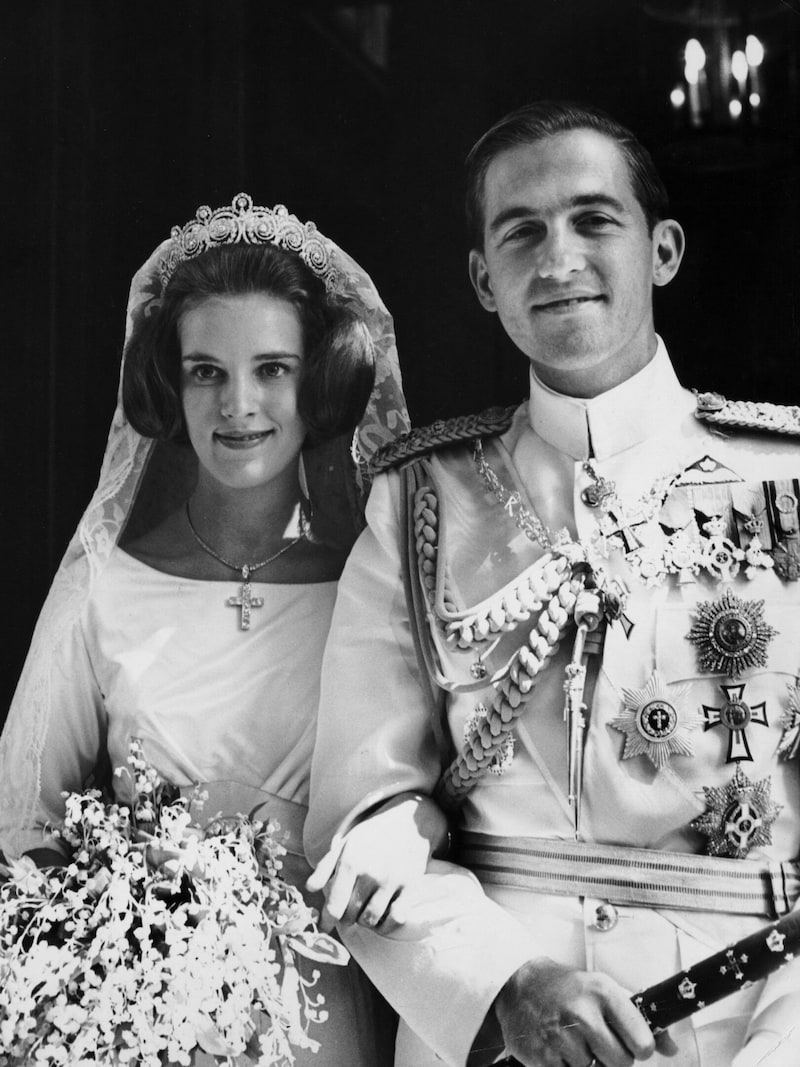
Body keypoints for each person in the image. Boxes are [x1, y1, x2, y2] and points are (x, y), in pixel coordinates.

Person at [305, 102, 800, 1067]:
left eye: (593, 218)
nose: (558, 254)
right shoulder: (419, 502)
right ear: (485, 281)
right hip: (498, 1038)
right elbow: (364, 817)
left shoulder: (785, 479)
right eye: (521, 231)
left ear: (662, 250)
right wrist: (502, 986)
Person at [0, 193, 441, 1065]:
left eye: (273, 367)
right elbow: (24, 828)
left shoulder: (379, 581)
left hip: (329, 1003)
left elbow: (456, 789)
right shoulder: (108, 584)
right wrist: (105, 958)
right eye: (207, 370)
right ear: (170, 382)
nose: (239, 405)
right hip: (134, 1016)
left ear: (318, 380)